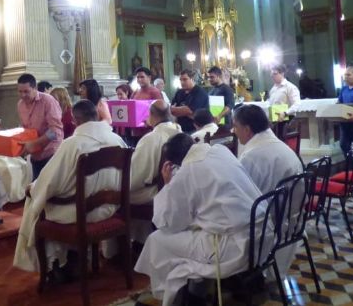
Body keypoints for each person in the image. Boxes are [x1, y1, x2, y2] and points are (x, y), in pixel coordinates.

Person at [134, 133, 264, 306]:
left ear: (174, 163)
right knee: (193, 231)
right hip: (260, 232)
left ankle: (174, 296)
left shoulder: (187, 171)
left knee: (157, 239)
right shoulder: (220, 150)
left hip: (233, 246)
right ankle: (195, 291)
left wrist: (168, 184)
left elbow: (168, 223)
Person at [13, 100, 127, 279]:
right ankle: (73, 258)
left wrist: (33, 189)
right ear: (96, 116)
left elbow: (49, 182)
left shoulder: (72, 144)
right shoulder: (117, 140)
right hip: (109, 210)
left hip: (78, 214)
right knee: (47, 198)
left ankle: (57, 263)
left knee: (36, 203)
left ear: (76, 120)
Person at [232, 104, 301, 280]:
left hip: (269, 226)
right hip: (291, 220)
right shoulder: (280, 146)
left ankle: (231, 277)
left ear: (247, 129)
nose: (234, 131)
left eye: (236, 126)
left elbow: (240, 199)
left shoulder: (251, 156)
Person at [129, 101, 181, 243]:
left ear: (151, 116)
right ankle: (142, 239)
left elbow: (135, 177)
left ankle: (117, 250)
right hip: (173, 187)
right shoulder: (179, 132)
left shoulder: (151, 138)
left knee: (115, 198)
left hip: (155, 192)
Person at [17, 73, 64, 180]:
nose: (23, 95)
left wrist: (34, 143)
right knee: (37, 187)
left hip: (51, 154)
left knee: (50, 188)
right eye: (20, 91)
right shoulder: (20, 105)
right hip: (35, 155)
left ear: (35, 88)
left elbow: (55, 131)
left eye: (26, 91)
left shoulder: (48, 101)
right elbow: (26, 128)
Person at [171, 69, 210, 134]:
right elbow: (172, 109)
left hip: (196, 129)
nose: (182, 82)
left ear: (192, 79)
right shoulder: (179, 92)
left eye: (185, 79)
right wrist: (182, 111)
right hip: (181, 128)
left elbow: (189, 110)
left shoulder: (199, 92)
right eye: (180, 80)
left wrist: (177, 110)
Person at [132, 67, 164, 139]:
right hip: (136, 130)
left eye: (142, 77)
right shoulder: (136, 92)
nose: (139, 79)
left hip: (150, 130)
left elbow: (161, 110)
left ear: (149, 77)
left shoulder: (155, 92)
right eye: (138, 77)